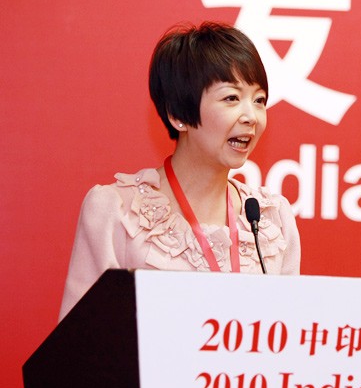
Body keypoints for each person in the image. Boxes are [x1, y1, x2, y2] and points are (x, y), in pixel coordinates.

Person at [59, 22, 301, 321]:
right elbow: (80, 348)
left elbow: (289, 339)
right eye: (231, 98)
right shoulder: (118, 212)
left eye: (259, 100)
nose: (251, 116)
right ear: (177, 114)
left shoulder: (270, 218)